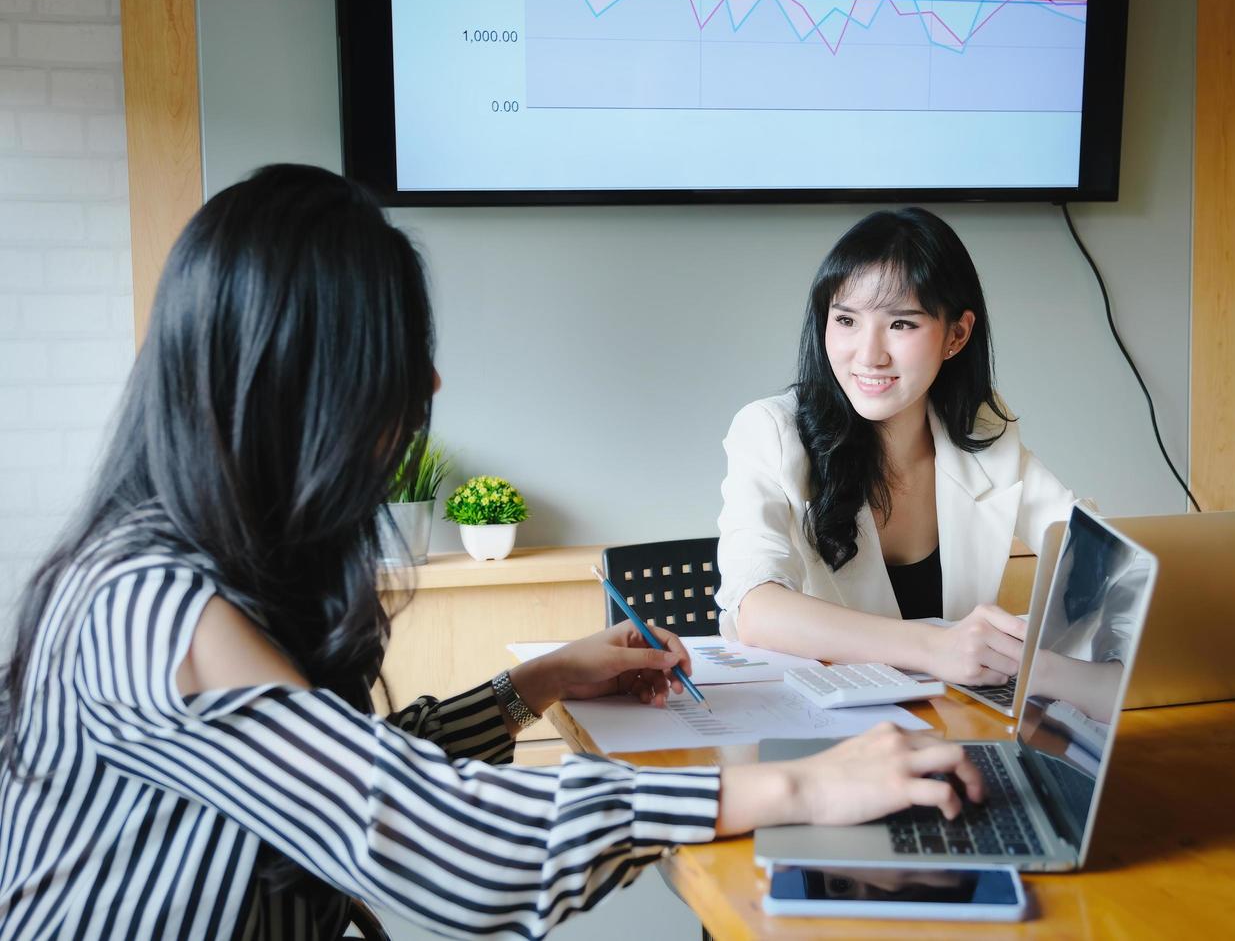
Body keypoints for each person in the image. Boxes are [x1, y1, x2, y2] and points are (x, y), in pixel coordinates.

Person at [0, 166, 982, 940]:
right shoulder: (153, 604)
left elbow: (352, 772)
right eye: (393, 354)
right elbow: (422, 829)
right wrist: (807, 783)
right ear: (295, 379)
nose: (427, 379)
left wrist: (539, 681)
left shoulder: (198, 569)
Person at [716, 207, 1086, 687]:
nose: (868, 354)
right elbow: (757, 608)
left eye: (901, 325)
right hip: (822, 727)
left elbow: (1082, 549)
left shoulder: (979, 425)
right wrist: (936, 647)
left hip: (950, 720)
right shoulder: (769, 429)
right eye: (846, 320)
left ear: (957, 334)